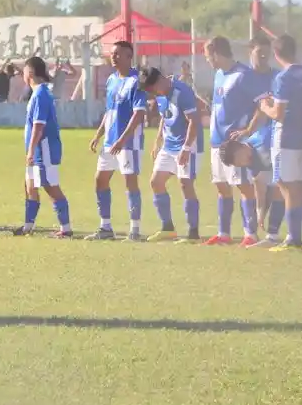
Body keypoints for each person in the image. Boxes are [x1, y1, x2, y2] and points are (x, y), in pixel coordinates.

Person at [257, 35, 302, 251]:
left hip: (286, 138)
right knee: (300, 188)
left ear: (276, 54)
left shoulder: (283, 78)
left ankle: (293, 237)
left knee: (286, 187)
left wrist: (265, 107)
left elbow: (279, 114)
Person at [204, 36, 268, 247]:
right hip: (216, 142)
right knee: (221, 186)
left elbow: (264, 104)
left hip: (234, 143)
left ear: (216, 53)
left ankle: (250, 233)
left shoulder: (244, 75)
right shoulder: (219, 75)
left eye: (207, 56)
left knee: (243, 186)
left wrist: (249, 129)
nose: (207, 61)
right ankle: (224, 234)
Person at [86, 40, 147, 241]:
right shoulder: (112, 79)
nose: (113, 57)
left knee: (130, 183)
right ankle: (105, 228)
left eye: (118, 54)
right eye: (112, 53)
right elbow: (109, 112)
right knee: (100, 180)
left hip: (128, 143)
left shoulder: (136, 81)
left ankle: (135, 230)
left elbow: (138, 115)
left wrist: (122, 139)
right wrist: (98, 134)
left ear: (129, 57)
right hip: (110, 142)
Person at [139, 66, 202, 243]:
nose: (152, 95)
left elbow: (194, 121)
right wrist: (158, 140)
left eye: (152, 90)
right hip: (169, 145)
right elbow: (165, 118)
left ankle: (193, 234)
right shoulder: (161, 96)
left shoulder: (182, 91)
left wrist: (186, 148)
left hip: (188, 143)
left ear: (159, 81)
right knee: (156, 182)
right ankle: (168, 229)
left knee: (185, 184)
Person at [14, 56, 72, 237]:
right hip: (38, 149)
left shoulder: (40, 94)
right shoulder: (39, 93)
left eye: (24, 70)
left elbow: (39, 125)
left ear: (30, 73)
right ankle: (28, 226)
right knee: (30, 186)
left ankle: (66, 228)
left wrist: (31, 150)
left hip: (43, 148)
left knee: (50, 186)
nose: (22, 74)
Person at [240, 34, 285, 246]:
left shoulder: (277, 77)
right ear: (251, 52)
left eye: (267, 52)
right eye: (260, 51)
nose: (264, 56)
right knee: (252, 185)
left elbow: (268, 108)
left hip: (271, 138)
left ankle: (269, 230)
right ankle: (254, 227)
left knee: (271, 184)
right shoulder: (244, 77)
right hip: (248, 140)